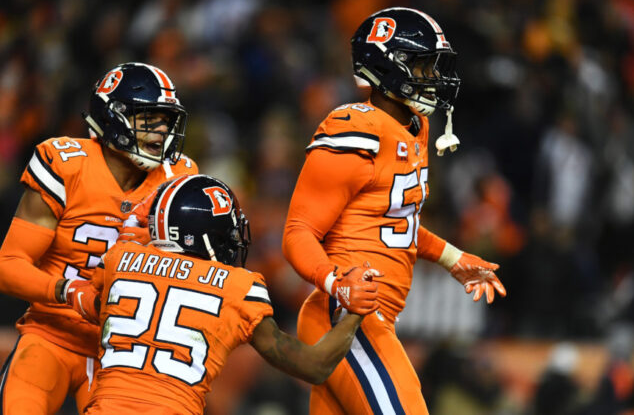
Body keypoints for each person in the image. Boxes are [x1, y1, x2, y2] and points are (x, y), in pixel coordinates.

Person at [282, 7, 507, 414]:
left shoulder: (415, 127)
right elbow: (298, 231)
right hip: (348, 315)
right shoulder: (355, 128)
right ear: (386, 67)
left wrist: (452, 258)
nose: (432, 77)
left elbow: (394, 220)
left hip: (368, 316)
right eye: (421, 66)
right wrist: (337, 283)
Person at [64, 174, 381, 414]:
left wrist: (132, 228)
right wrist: (354, 311)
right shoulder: (237, 286)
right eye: (227, 234)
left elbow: (89, 299)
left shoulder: (120, 259)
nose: (232, 242)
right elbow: (314, 365)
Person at [0, 62, 198, 414]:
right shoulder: (66, 164)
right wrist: (68, 291)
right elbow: (8, 265)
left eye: (167, 119)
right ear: (113, 117)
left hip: (123, 355)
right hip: (51, 335)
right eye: (149, 118)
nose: (162, 130)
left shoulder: (178, 177)